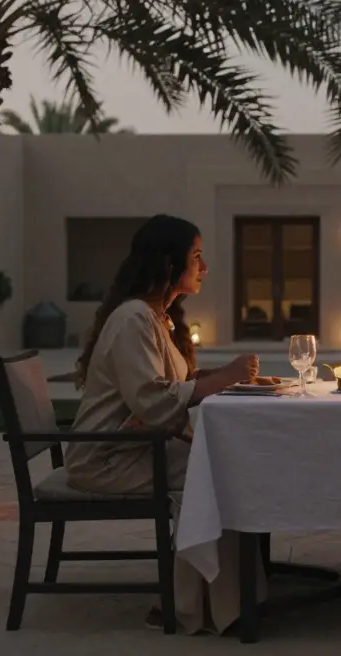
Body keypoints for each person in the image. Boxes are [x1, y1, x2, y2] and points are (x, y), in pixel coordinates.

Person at [67, 214, 263, 635]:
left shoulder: (156, 318)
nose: (204, 267)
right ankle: (191, 606)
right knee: (215, 471)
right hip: (106, 457)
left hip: (136, 445)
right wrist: (224, 378)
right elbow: (154, 398)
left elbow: (168, 388)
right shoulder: (134, 319)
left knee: (222, 461)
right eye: (196, 256)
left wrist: (220, 376)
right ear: (170, 263)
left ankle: (224, 596)